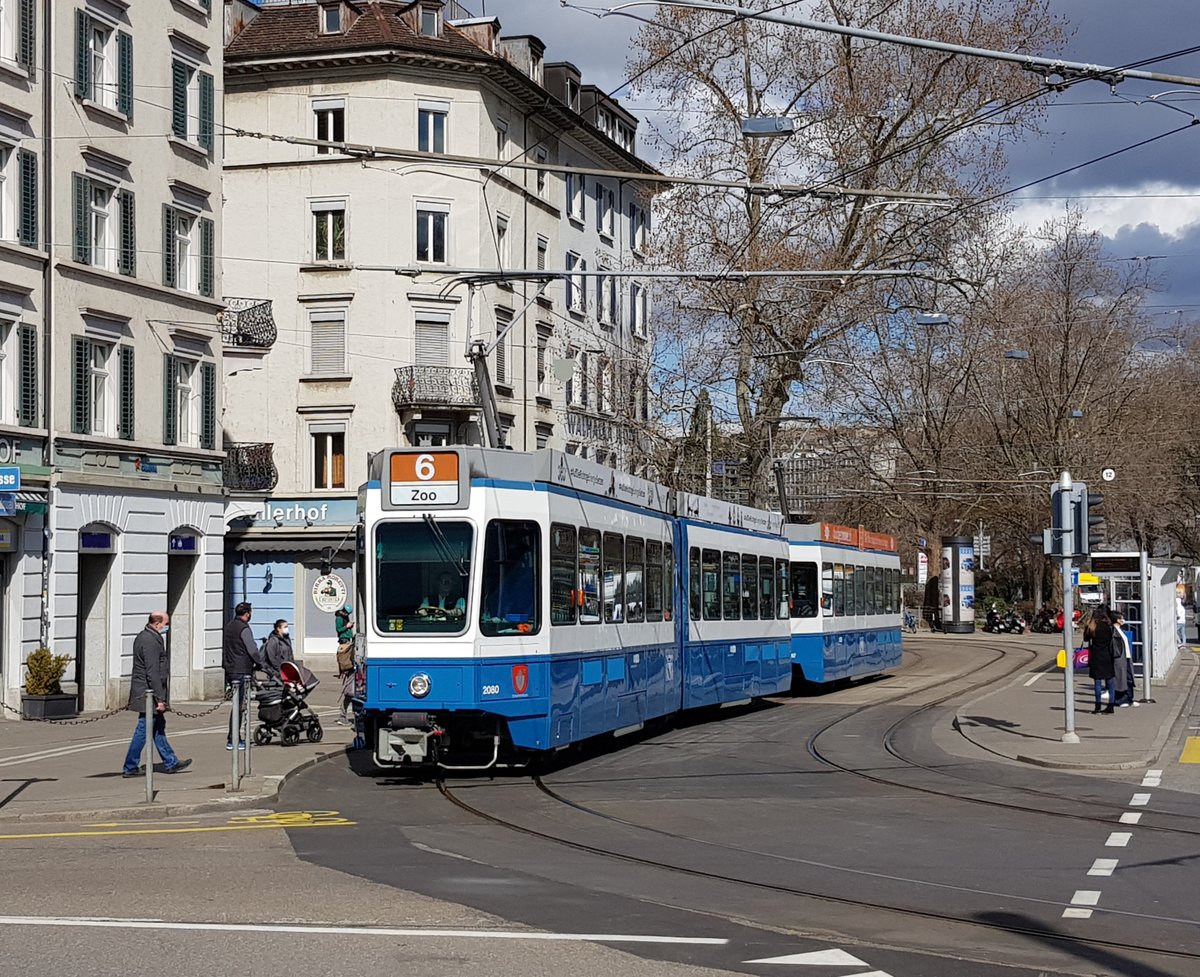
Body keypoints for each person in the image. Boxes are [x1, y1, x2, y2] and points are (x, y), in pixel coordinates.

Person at [122, 611, 191, 777]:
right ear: (157, 623)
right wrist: (159, 699)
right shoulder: (149, 640)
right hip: (148, 693)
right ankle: (130, 766)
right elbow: (152, 672)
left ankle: (170, 761)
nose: (167, 627)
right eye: (165, 624)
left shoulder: (149, 636)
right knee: (144, 729)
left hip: (149, 692)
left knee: (157, 727)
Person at [222, 601, 262, 750]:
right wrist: (260, 663)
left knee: (236, 705)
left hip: (230, 669)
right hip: (241, 670)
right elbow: (251, 649)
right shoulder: (244, 628)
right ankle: (234, 739)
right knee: (239, 706)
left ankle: (233, 738)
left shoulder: (229, 626)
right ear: (247, 614)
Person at [1086, 606, 1117, 715]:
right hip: (1107, 656)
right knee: (1110, 681)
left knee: (1097, 682)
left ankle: (1097, 706)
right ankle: (1111, 705)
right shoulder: (1108, 626)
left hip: (1096, 656)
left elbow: (1086, 638)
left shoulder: (1092, 626)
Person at [1111, 609, 1139, 708]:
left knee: (1129, 677)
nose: (1123, 620)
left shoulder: (1121, 630)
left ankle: (1129, 698)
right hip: (1119, 658)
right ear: (1117, 620)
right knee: (1120, 679)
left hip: (1126, 656)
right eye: (1121, 618)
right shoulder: (1113, 631)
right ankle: (1119, 700)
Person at [335, 604, 355, 725]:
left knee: (350, 692)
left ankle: (344, 714)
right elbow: (339, 629)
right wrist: (347, 626)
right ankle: (343, 715)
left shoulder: (345, 617)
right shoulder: (339, 618)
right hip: (345, 642)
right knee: (350, 692)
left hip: (348, 641)